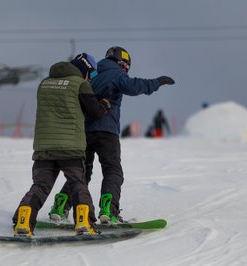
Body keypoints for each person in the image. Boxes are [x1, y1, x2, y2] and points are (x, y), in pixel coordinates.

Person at [49, 46, 175, 224]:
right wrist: (157, 82)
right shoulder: (116, 74)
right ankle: (109, 209)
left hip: (84, 132)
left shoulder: (89, 75)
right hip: (106, 131)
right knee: (112, 170)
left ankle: (61, 205)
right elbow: (134, 86)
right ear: (123, 63)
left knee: (82, 173)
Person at [12, 53, 111, 236]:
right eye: (93, 74)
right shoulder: (80, 84)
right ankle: (83, 222)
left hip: (44, 148)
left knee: (40, 186)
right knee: (77, 183)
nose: (92, 78)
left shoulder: (44, 83)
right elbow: (95, 112)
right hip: (70, 147)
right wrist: (104, 104)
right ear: (85, 69)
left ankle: (23, 221)